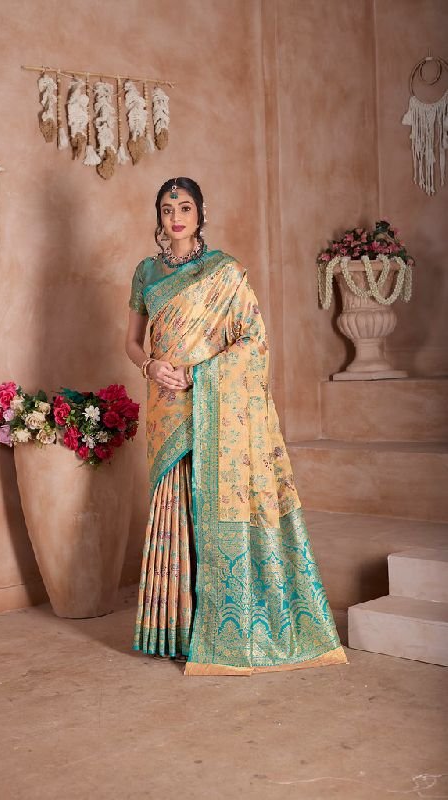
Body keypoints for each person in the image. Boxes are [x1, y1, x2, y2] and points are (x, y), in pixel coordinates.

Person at [125, 177, 347, 676]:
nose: (176, 217)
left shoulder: (224, 271)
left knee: (210, 497)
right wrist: (149, 366)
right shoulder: (145, 272)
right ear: (158, 217)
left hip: (210, 400)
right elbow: (132, 342)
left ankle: (218, 626)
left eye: (185, 208)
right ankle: (175, 630)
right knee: (174, 503)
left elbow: (253, 339)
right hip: (165, 403)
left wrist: (199, 374)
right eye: (167, 209)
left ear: (201, 214)